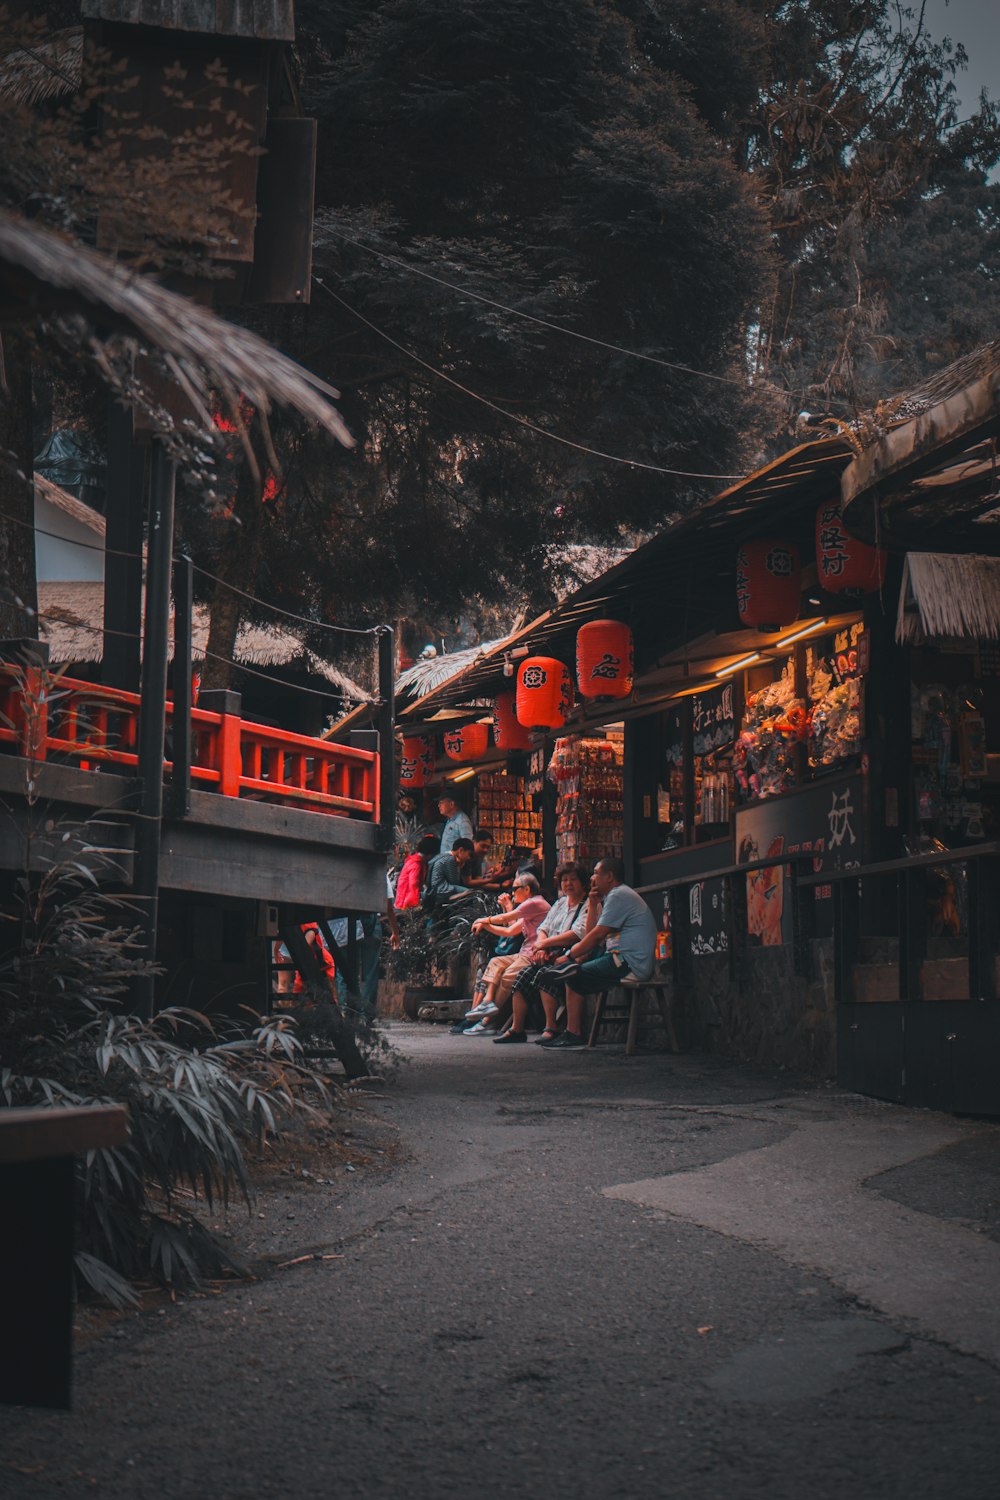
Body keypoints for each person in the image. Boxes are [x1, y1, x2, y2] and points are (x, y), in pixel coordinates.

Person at [538, 856, 657, 1050]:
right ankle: (566, 1022)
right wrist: (593, 904)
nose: (593, 878)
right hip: (616, 956)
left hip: (627, 961)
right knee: (574, 968)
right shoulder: (611, 897)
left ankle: (573, 1033)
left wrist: (568, 956)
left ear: (609, 877)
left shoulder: (619, 895)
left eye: (596, 873)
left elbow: (596, 936)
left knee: (573, 974)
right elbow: (592, 933)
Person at [491, 863, 599, 1043]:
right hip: (552, 953)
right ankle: (517, 1029)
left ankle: (551, 1027)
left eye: (573, 880)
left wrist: (544, 944)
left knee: (545, 975)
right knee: (522, 976)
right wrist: (541, 946)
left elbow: (576, 934)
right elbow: (544, 927)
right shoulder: (560, 903)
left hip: (573, 954)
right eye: (565, 880)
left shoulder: (588, 904)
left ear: (582, 882)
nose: (568, 884)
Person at [460, 872, 550, 1033]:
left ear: (527, 889)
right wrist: (485, 925)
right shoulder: (530, 909)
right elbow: (509, 930)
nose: (512, 893)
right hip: (524, 953)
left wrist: (484, 920)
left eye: (515, 889)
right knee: (495, 962)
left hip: (533, 954)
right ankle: (487, 1002)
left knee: (508, 975)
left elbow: (506, 918)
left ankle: (488, 1021)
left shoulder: (535, 903)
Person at [394, 834, 439, 910]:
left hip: (404, 899)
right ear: (430, 855)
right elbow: (413, 885)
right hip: (405, 902)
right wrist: (416, 903)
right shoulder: (416, 864)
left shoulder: (416, 860)